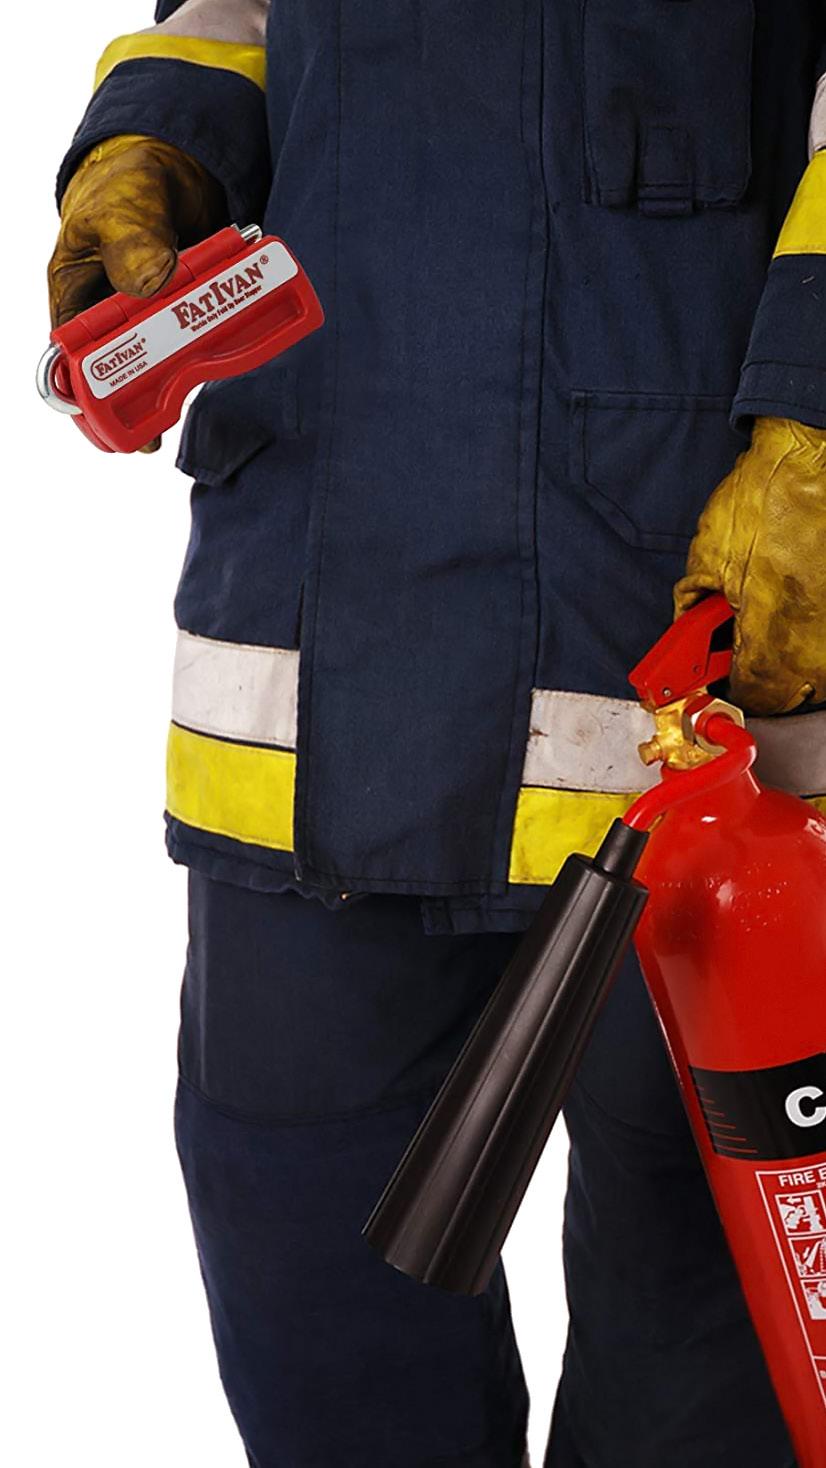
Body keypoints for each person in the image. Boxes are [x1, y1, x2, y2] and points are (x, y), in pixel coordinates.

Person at [48, 3, 826, 1464]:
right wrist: (162, 137)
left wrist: (816, 420)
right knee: (307, 1264)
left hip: (698, 653)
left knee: (707, 1329)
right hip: (319, 667)